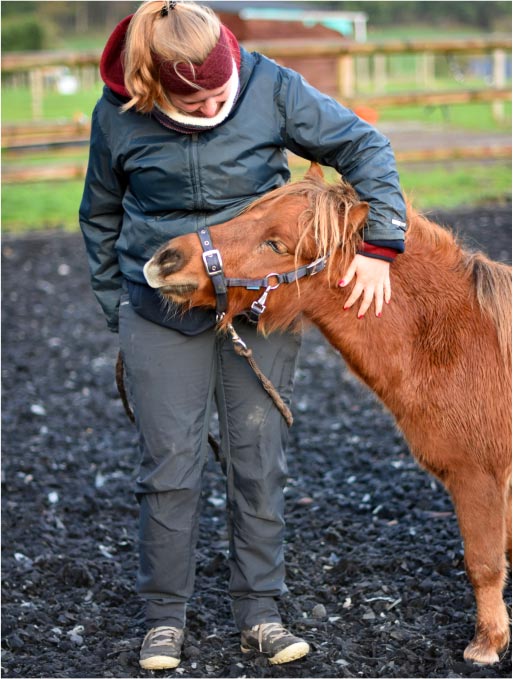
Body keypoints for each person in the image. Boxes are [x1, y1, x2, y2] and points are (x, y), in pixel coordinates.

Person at [79, 0, 407, 671]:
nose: (211, 108)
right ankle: (163, 620)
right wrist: (122, 309)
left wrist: (380, 246)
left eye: (221, 94)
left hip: (256, 305)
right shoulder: (117, 116)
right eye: (193, 102)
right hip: (161, 307)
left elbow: (363, 144)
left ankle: (260, 612)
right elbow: (100, 213)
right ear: (154, 85)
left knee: (256, 460)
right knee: (169, 466)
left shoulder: (270, 85)